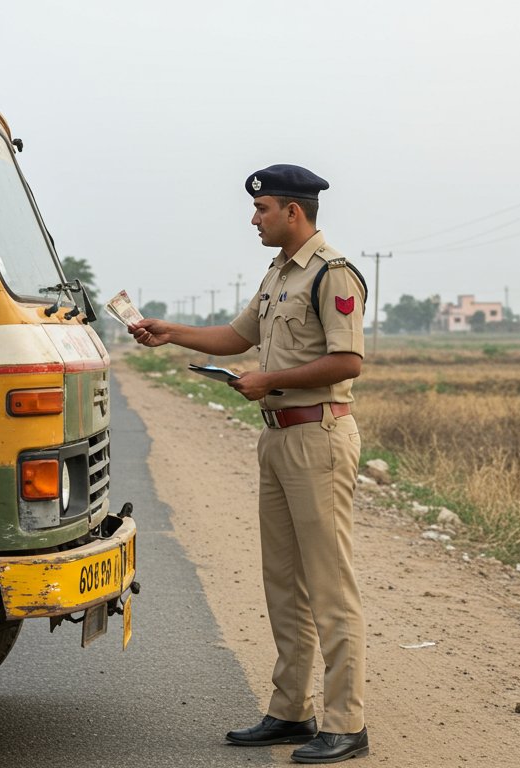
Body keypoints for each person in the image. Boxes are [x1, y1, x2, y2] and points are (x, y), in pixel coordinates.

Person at [130, 164, 369, 764]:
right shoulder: (278, 275)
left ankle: (346, 723)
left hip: (318, 437)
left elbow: (347, 362)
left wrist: (271, 380)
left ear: (294, 211)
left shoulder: (332, 274)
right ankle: (291, 711)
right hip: (278, 439)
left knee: (329, 584)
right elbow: (238, 337)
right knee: (283, 582)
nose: (254, 218)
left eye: (263, 209)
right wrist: (169, 333)